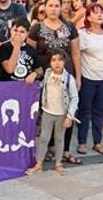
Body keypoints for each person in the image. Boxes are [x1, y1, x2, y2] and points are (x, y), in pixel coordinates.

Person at [26, 49, 79, 177]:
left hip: (61, 114)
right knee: (44, 138)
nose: (57, 63)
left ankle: (58, 163)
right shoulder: (48, 74)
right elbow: (42, 86)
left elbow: (74, 97)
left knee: (59, 139)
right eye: (54, 60)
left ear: (64, 61)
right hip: (48, 112)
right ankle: (39, 163)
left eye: (60, 60)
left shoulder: (68, 79)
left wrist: (70, 116)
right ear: (49, 63)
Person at [76, 3, 103, 155]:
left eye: (101, 13)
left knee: (99, 110)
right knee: (84, 111)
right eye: (95, 13)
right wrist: (78, 76)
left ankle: (97, 142)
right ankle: (82, 142)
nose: (99, 15)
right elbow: (77, 55)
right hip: (88, 77)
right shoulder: (83, 34)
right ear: (88, 16)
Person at [0, 17, 39, 83]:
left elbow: (40, 70)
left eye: (22, 32)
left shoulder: (31, 49)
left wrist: (35, 74)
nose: (18, 34)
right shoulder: (4, 47)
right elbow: (9, 69)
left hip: (25, 87)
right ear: (10, 31)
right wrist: (17, 46)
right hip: (7, 87)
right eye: (15, 30)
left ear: (27, 34)